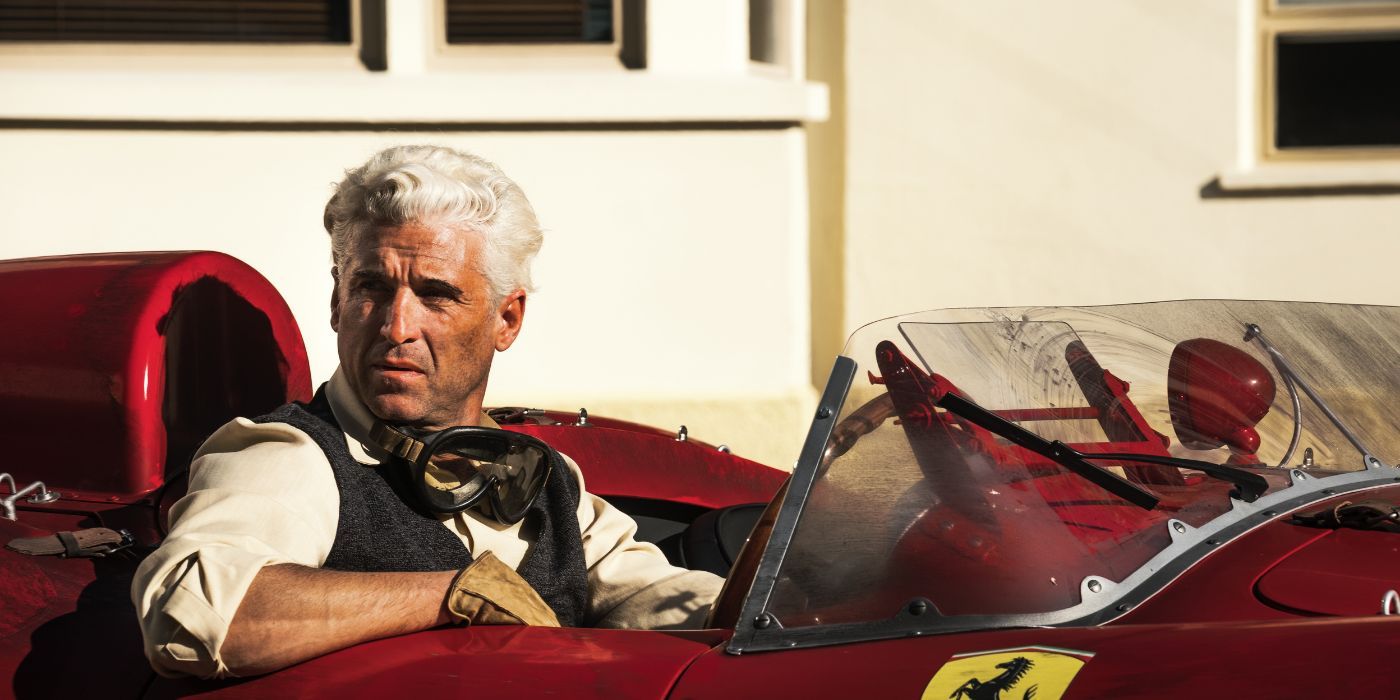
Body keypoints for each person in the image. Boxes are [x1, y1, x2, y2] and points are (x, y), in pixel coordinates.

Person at [131, 145, 723, 679]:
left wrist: (790, 571)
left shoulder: (549, 479)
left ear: (506, 319)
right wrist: (451, 596)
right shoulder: (290, 455)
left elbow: (677, 604)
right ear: (337, 303)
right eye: (370, 289)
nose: (396, 327)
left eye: (435, 295)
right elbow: (190, 613)